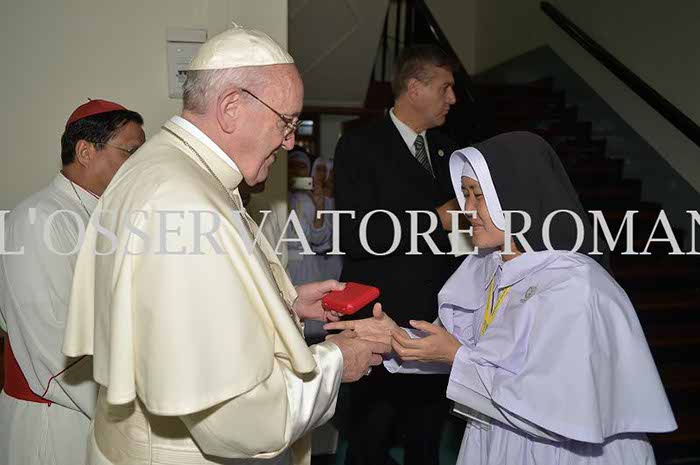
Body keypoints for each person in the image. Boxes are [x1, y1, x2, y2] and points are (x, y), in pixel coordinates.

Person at [62, 25, 388, 465]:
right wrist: (336, 362)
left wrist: (286, 304)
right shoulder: (184, 202)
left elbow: (179, 319)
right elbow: (239, 418)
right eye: (286, 122)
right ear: (231, 108)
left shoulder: (166, 167)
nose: (290, 141)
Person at [326, 131, 677, 464]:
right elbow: (464, 347)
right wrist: (396, 338)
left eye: (477, 196)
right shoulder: (486, 267)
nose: (466, 209)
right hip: (497, 431)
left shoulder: (575, 286)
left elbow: (557, 406)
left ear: (515, 196)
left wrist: (456, 358)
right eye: (464, 194)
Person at [333, 44, 462, 465]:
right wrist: (434, 219)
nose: (452, 98)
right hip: (379, 319)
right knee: (370, 439)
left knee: (427, 439)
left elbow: (460, 236)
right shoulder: (359, 144)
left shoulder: (449, 151)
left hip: (435, 321)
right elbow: (355, 234)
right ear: (415, 88)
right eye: (444, 88)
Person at [0, 99, 145, 465]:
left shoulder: (112, 218)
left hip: (105, 403)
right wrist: (129, 412)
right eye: (130, 152)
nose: (139, 165)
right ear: (85, 151)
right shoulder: (36, 219)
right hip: (56, 419)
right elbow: (53, 345)